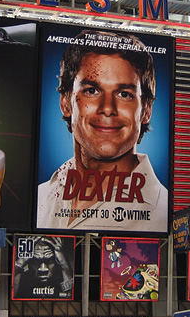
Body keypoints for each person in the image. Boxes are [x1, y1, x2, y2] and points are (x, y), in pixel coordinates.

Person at [37, 30, 168, 232]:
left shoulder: (163, 212)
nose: (108, 108)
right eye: (92, 91)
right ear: (66, 102)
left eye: (124, 94)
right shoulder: (39, 198)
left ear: (146, 111)